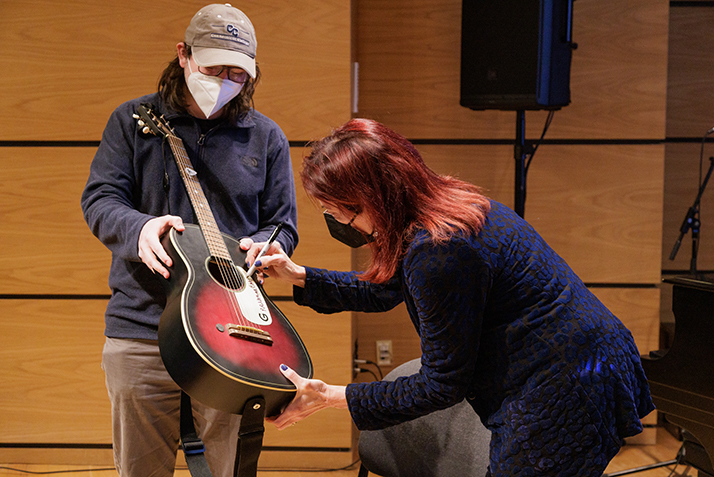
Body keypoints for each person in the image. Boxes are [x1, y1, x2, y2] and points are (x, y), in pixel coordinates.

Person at [248, 118, 655, 477]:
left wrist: (332, 397)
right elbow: (388, 287)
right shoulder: (445, 207)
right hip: (584, 357)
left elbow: (441, 386)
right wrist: (297, 275)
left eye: (337, 213)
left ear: (372, 200)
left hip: (567, 380)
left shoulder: (439, 251)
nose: (335, 223)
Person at [80, 4, 298, 476]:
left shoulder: (266, 137)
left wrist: (264, 247)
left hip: (234, 332)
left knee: (228, 465)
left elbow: (282, 224)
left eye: (237, 74)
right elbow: (100, 199)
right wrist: (138, 228)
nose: (224, 81)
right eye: (213, 67)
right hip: (141, 324)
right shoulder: (131, 121)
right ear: (183, 54)